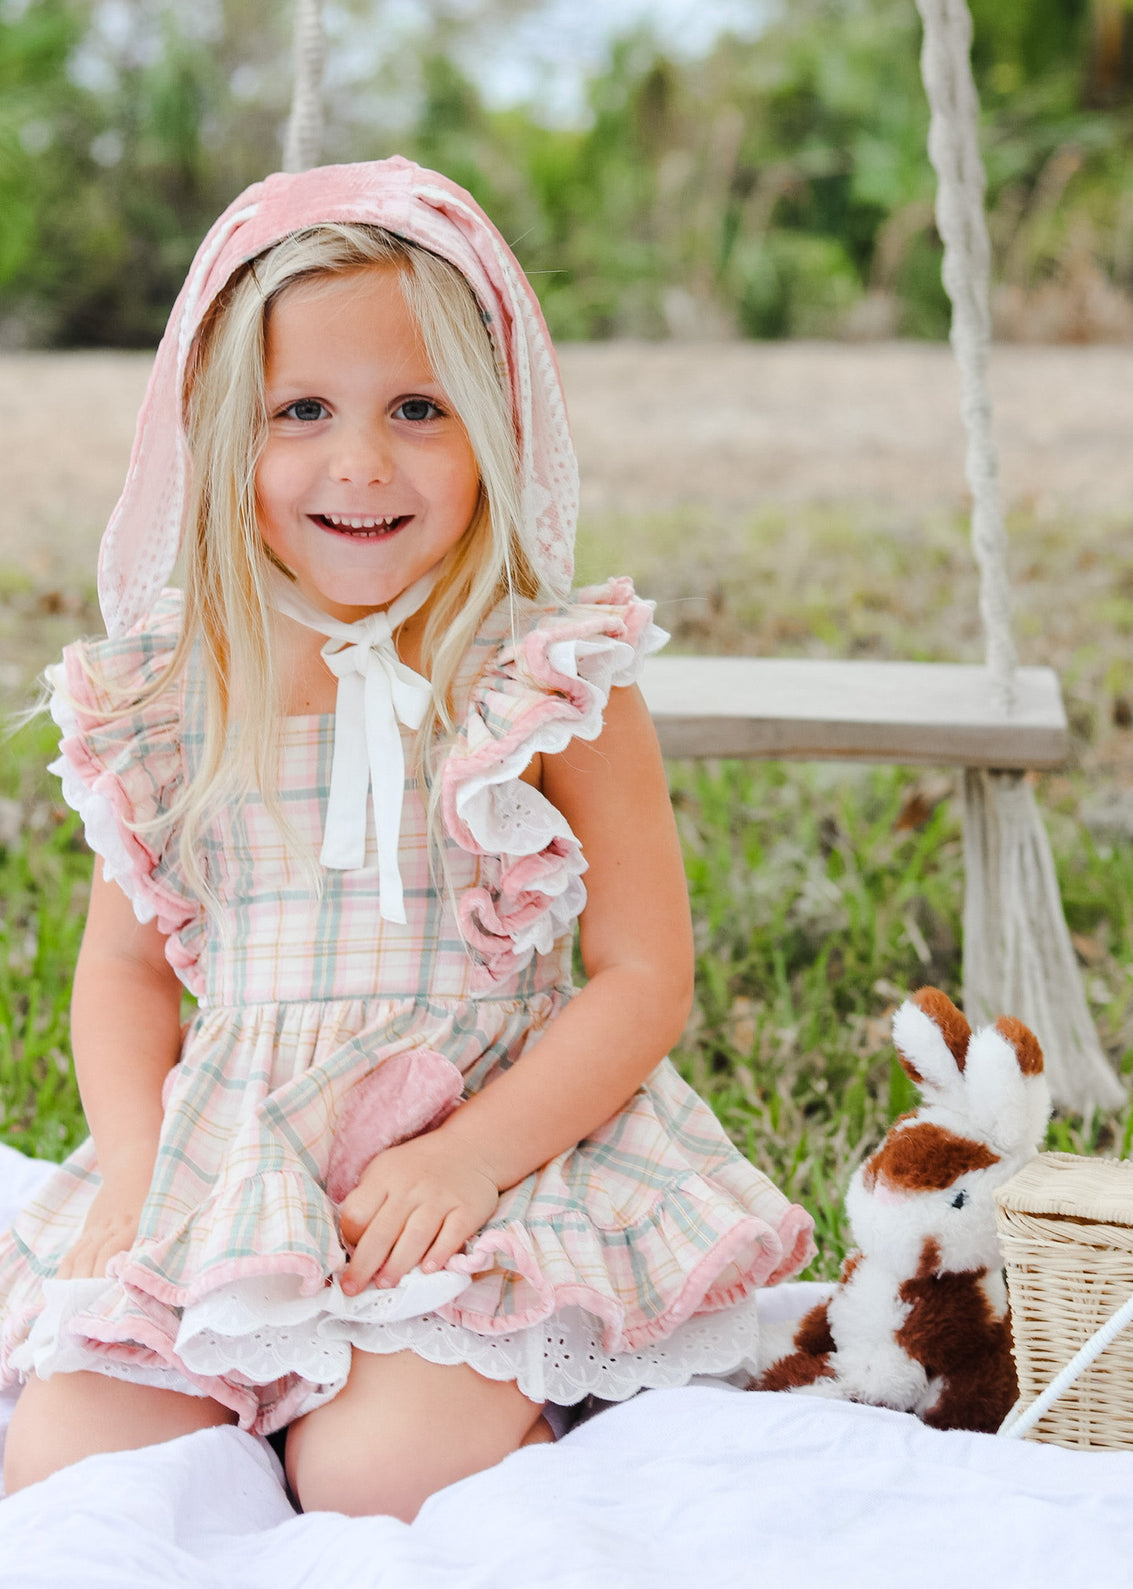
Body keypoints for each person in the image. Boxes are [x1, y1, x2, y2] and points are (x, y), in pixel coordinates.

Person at [0, 156, 814, 1518]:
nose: (359, 461)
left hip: (477, 1166)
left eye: (418, 407)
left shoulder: (549, 682)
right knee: (77, 1464)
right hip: (235, 1169)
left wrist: (467, 1155)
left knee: (385, 1474)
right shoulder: (178, 684)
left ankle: (503, 1423)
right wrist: (139, 1171)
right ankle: (251, 1418)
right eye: (300, 410)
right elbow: (128, 974)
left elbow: (641, 975)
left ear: (495, 425)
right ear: (220, 439)